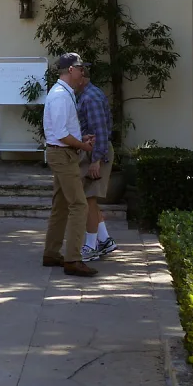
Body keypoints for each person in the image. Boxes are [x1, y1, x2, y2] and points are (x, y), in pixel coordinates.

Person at [42, 53, 97, 277]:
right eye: (80, 68)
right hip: (63, 154)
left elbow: (63, 132)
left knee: (62, 204)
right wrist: (83, 147)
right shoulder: (60, 96)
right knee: (79, 205)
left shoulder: (63, 93)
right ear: (71, 70)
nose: (83, 72)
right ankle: (73, 259)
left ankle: (52, 253)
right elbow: (62, 134)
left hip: (63, 152)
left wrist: (80, 140)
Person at [75, 66, 118, 262]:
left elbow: (99, 131)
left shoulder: (90, 97)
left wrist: (96, 161)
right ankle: (105, 240)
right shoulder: (89, 94)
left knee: (87, 199)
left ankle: (91, 246)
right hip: (94, 150)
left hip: (96, 152)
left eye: (71, 73)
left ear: (81, 75)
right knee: (89, 198)